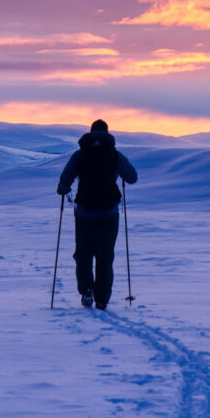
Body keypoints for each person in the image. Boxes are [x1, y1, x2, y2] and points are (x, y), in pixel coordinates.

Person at [56, 119, 138, 310]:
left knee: (83, 254)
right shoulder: (115, 155)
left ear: (90, 132)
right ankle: (102, 298)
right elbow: (132, 178)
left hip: (84, 212)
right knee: (105, 255)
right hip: (109, 213)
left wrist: (63, 189)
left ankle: (86, 290)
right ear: (107, 133)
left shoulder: (81, 154)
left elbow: (64, 181)